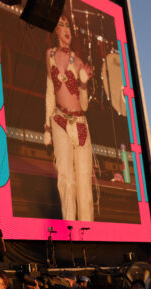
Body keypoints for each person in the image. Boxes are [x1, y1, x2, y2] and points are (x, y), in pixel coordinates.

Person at [43, 12, 95, 221]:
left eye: (68, 26)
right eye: (62, 24)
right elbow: (50, 91)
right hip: (59, 120)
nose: (66, 29)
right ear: (56, 31)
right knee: (65, 179)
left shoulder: (79, 61)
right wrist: (47, 127)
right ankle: (70, 227)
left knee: (84, 182)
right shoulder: (50, 55)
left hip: (80, 123)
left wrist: (84, 83)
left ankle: (88, 230)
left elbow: (84, 105)